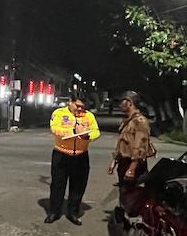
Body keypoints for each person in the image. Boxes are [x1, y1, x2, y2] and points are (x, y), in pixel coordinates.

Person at [45, 96, 100, 225]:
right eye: (77, 105)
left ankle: (73, 213)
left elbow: (96, 131)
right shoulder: (59, 113)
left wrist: (88, 136)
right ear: (70, 103)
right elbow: (54, 128)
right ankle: (54, 212)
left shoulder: (89, 116)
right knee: (58, 185)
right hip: (62, 154)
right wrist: (73, 131)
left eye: (82, 106)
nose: (80, 109)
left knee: (78, 186)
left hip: (81, 155)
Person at [108, 91, 154, 200]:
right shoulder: (128, 121)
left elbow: (140, 147)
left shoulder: (140, 121)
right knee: (125, 197)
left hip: (134, 165)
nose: (119, 105)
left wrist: (132, 169)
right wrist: (114, 161)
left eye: (121, 102)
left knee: (134, 199)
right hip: (124, 163)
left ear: (129, 102)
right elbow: (123, 144)